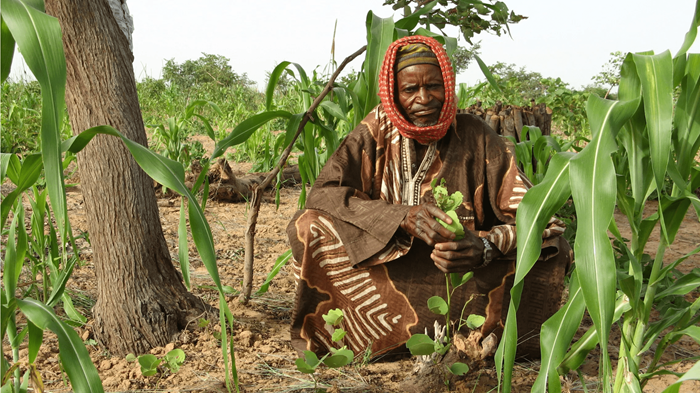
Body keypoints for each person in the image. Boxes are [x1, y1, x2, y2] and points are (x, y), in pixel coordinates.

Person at [286, 35, 570, 359]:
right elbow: (323, 194)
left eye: (433, 86)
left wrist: (486, 247)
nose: (423, 98)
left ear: (447, 87)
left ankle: (486, 339)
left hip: (463, 270)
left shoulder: (476, 135)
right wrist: (399, 217)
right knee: (309, 226)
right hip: (389, 264)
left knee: (554, 249)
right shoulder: (376, 129)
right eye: (410, 90)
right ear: (394, 93)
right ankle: (359, 337)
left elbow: (539, 215)